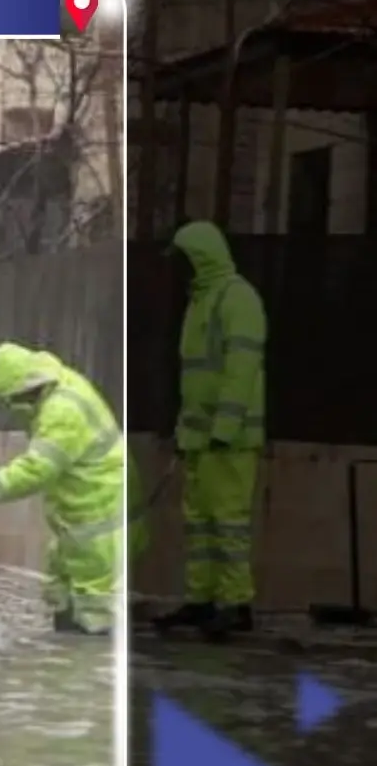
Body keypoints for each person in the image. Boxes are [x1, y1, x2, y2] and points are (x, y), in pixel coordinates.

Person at [0, 342, 127, 636]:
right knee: (60, 582)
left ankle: (91, 658)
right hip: (75, 507)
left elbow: (37, 470)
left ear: (28, 389)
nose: (13, 405)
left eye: (15, 398)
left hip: (98, 504)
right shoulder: (47, 384)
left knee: (94, 597)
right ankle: (64, 649)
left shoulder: (62, 412)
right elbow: (13, 392)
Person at [154, 220, 266, 641]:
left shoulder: (237, 299)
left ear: (200, 259)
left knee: (228, 521)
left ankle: (236, 604)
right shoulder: (201, 301)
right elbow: (195, 378)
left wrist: (224, 426)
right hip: (201, 438)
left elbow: (241, 369)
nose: (178, 270)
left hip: (229, 440)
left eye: (183, 261)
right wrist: (187, 432)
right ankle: (202, 599)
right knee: (199, 523)